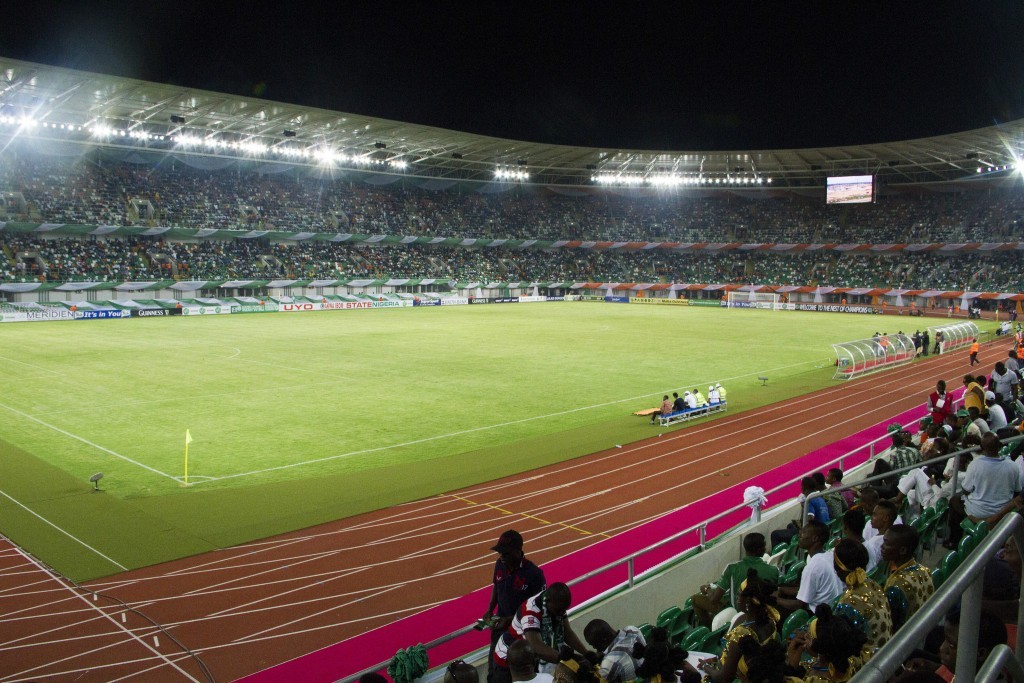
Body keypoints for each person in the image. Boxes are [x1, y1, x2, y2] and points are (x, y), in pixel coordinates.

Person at [484, 530, 547, 683]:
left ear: (518, 551)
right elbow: (496, 586)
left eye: (505, 553)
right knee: (494, 674)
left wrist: (510, 620)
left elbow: (539, 609)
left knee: (521, 675)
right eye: (500, 552)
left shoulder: (534, 574)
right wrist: (490, 609)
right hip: (500, 631)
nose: (501, 556)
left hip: (524, 635)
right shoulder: (500, 564)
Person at [699, 569, 780, 683]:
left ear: (747, 601)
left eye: (738, 595)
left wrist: (705, 667)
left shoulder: (742, 634)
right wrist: (719, 659)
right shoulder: (770, 619)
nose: (737, 599)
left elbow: (724, 679)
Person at [691, 532, 780, 627]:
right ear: (760, 550)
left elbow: (714, 599)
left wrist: (707, 589)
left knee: (695, 599)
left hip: (736, 613)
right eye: (764, 546)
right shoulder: (774, 571)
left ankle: (710, 630)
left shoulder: (732, 568)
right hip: (764, 612)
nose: (765, 549)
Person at [831, 538, 893, 656]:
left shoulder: (848, 603)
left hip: (866, 663)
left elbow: (841, 645)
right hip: (884, 652)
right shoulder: (872, 583)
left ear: (838, 569)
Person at [785, 605, 867, 682]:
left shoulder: (817, 679)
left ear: (817, 646)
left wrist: (791, 666)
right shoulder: (851, 659)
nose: (804, 635)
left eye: (808, 636)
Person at [776, 520, 843, 614]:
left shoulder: (813, 566)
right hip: (831, 607)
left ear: (815, 538)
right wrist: (781, 589)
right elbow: (806, 590)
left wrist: (776, 600)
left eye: (804, 532)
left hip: (818, 614)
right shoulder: (829, 556)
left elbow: (800, 604)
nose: (800, 534)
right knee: (783, 586)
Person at [960, 432, 1023, 525]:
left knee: (954, 500)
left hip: (979, 512)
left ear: (982, 447)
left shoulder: (975, 465)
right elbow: (1017, 491)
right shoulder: (1013, 465)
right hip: (1004, 510)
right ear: (999, 446)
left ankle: (960, 535)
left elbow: (966, 490)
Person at [881, 525, 934, 630]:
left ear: (903, 550)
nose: (882, 546)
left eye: (886, 543)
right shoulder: (924, 570)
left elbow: (891, 626)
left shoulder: (895, 588)